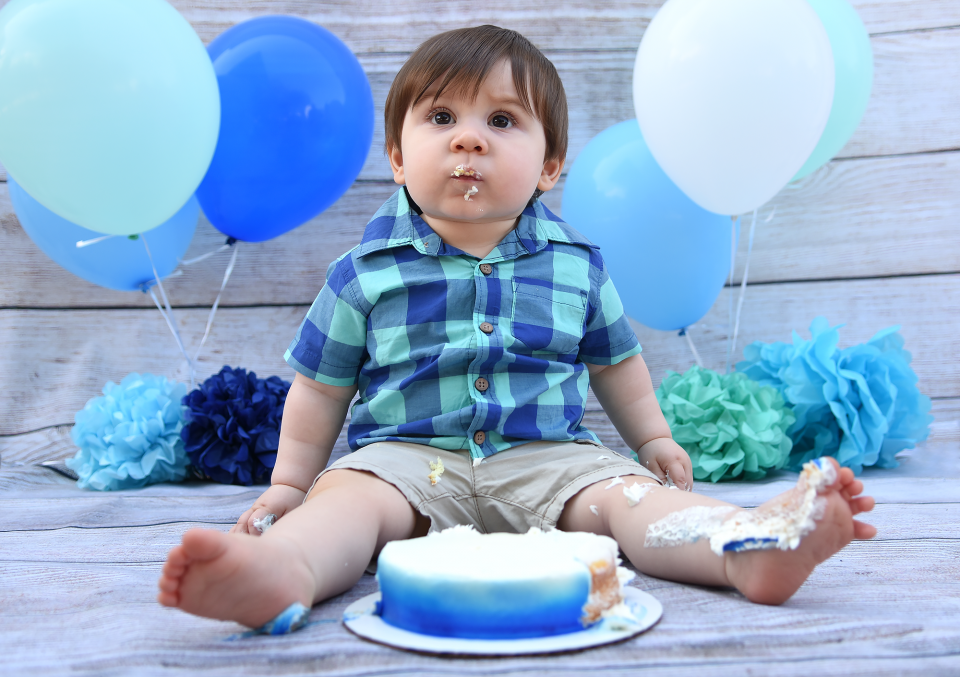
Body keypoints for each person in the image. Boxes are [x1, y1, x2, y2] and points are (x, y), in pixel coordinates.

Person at [158, 25, 876, 630]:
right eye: (442, 119)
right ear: (401, 158)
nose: (469, 140)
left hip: (550, 459)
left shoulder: (579, 268)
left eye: (501, 121)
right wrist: (290, 482)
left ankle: (744, 544)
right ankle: (285, 569)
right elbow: (320, 389)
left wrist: (652, 438)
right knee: (346, 505)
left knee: (632, 501)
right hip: (405, 459)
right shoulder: (363, 271)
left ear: (550, 166)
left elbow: (617, 364)